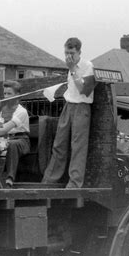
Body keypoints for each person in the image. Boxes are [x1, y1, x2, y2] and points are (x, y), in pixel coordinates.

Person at [42, 37, 96, 188]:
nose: (69, 56)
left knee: (78, 146)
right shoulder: (69, 65)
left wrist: (72, 69)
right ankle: (50, 180)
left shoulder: (88, 66)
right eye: (66, 52)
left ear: (79, 52)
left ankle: (74, 183)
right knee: (59, 143)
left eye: (72, 53)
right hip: (69, 105)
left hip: (82, 107)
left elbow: (84, 91)